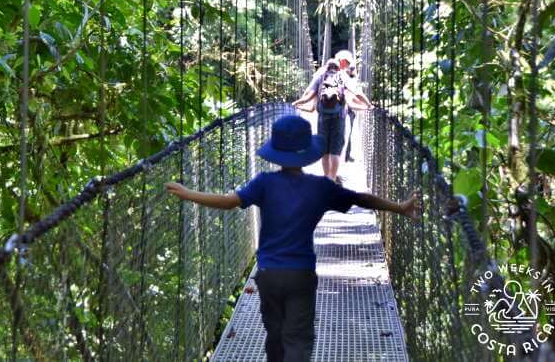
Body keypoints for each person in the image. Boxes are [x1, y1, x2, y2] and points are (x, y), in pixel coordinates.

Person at [166, 115, 419, 362]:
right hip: (301, 273)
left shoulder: (264, 183)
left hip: (268, 274)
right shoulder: (320, 187)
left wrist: (189, 194)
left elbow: (228, 202)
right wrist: (399, 207)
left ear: (276, 151)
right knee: (297, 339)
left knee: (275, 336)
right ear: (307, 150)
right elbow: (359, 198)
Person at [291, 50, 372, 182]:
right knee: (335, 150)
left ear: (327, 66)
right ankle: (332, 179)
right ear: (339, 66)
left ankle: (326, 178)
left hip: (323, 117)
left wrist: (297, 102)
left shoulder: (321, 75)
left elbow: (309, 95)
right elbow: (357, 93)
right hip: (339, 117)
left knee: (324, 150)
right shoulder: (343, 76)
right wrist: (368, 104)